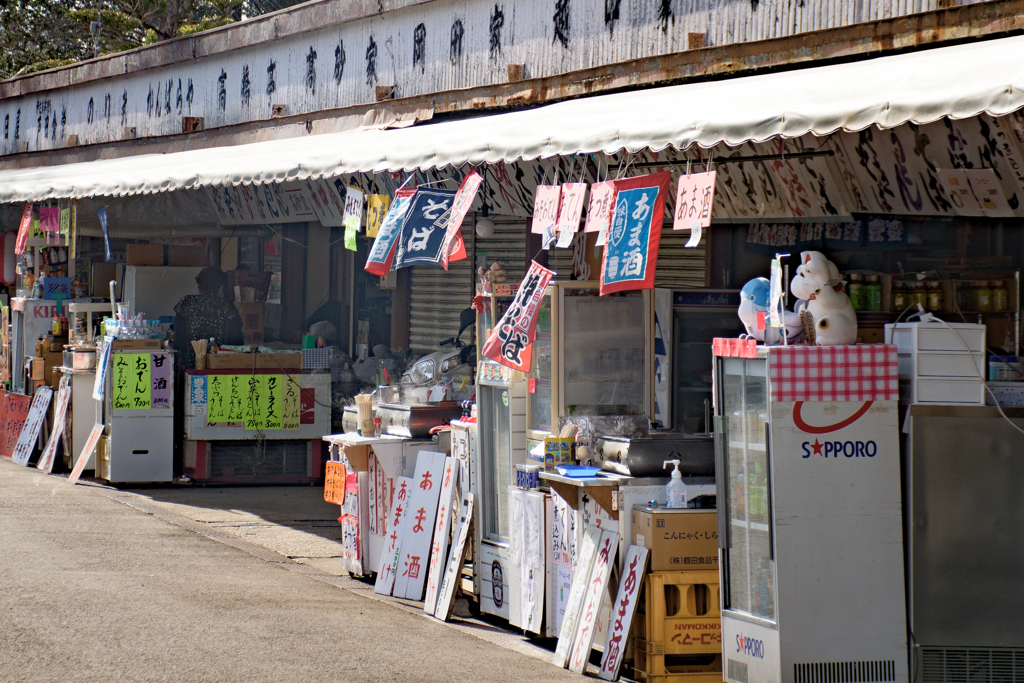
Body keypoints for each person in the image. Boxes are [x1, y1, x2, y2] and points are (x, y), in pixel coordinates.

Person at [173, 267, 243, 369]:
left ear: (199, 284)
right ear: (221, 286)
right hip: (220, 367)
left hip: (189, 368)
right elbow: (237, 342)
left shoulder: (186, 303)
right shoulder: (227, 306)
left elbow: (178, 338)